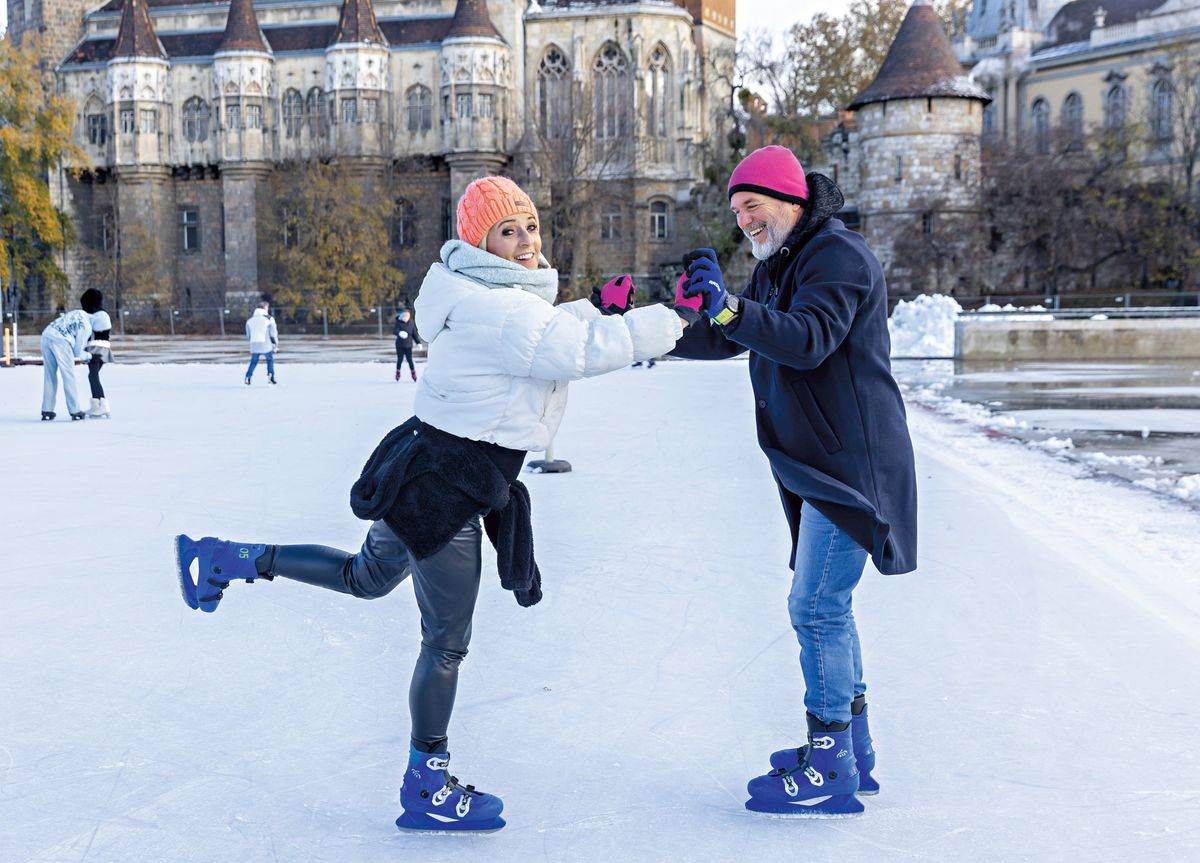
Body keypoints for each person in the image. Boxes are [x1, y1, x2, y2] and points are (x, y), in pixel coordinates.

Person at [173, 175, 686, 833]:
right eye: (509, 230)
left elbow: (550, 334)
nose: (527, 240)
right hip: (449, 491)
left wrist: (598, 306)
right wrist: (667, 319)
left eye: (530, 224)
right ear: (480, 241)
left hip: (425, 469)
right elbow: (569, 350)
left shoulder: (481, 295)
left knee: (365, 577)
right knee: (445, 642)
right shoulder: (501, 308)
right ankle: (427, 782)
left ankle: (228, 558)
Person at [670, 145, 918, 818]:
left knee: (815, 606)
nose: (744, 220)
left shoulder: (838, 257)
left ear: (791, 200)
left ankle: (830, 756)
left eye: (753, 206)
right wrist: (655, 325)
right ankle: (852, 752)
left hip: (851, 468)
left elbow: (808, 337)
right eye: (736, 211)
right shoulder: (782, 263)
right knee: (827, 604)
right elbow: (731, 337)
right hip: (818, 464)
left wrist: (727, 310)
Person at [39, 290, 99, 421]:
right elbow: (77, 352)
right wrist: (90, 356)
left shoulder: (75, 313)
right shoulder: (87, 327)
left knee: (49, 375)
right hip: (61, 341)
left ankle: (47, 410)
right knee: (68, 376)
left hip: (47, 334)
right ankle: (75, 410)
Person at [86, 298, 114, 419]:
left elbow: (89, 331)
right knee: (92, 375)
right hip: (104, 347)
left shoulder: (96, 316)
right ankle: (96, 404)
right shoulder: (103, 314)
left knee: (93, 375)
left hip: (96, 347)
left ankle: (103, 404)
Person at [244, 301, 278, 385]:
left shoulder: (250, 320)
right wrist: (275, 344)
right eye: (267, 307)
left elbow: (248, 334)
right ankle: (271, 375)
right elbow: (273, 333)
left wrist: (252, 341)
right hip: (265, 343)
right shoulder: (269, 319)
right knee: (269, 360)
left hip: (254, 343)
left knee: (254, 361)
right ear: (264, 308)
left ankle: (248, 377)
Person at [393, 308, 421, 381]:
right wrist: (399, 333)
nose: (406, 318)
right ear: (402, 316)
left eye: (407, 316)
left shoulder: (411, 323)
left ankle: (413, 373)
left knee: (410, 360)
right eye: (405, 316)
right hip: (400, 345)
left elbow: (414, 334)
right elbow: (395, 331)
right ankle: (398, 373)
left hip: (408, 345)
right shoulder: (398, 322)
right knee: (400, 359)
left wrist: (418, 342)